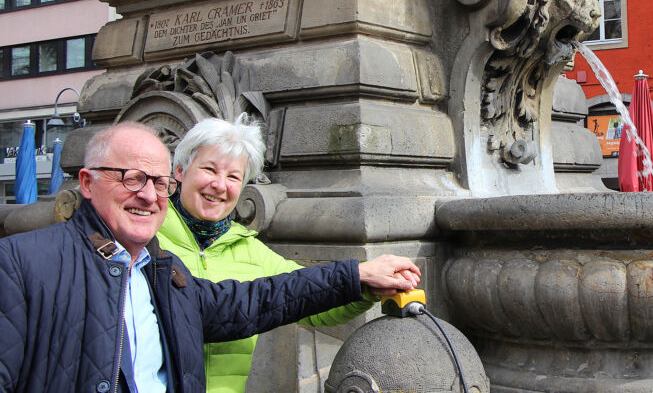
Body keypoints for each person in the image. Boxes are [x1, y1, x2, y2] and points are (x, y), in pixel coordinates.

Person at [0, 122, 420, 393]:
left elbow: (272, 297)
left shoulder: (160, 268)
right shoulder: (28, 260)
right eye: (132, 178)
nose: (147, 195)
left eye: (234, 176)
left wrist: (361, 279)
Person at [158, 114, 412, 393]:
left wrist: (366, 286)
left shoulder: (250, 251)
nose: (220, 185)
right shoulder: (146, 239)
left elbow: (313, 302)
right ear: (180, 171)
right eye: (209, 169)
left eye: (233, 176)